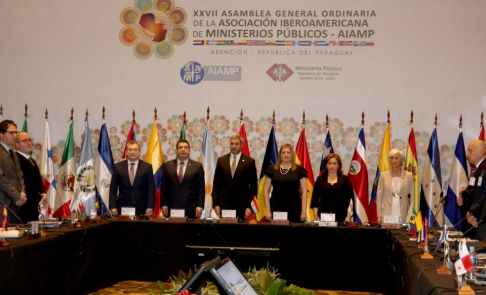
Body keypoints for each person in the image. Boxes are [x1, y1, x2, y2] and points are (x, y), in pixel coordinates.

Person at [212, 134, 258, 221]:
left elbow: (253, 187)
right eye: (232, 144)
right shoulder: (221, 160)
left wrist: (250, 207)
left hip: (242, 206)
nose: (234, 146)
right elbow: (216, 184)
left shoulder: (249, 162)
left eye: (236, 144)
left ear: (241, 145)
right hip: (223, 205)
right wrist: (215, 204)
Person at [161, 139, 205, 219]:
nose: (183, 149)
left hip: (191, 207)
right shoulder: (167, 165)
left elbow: (201, 189)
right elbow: (164, 187)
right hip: (171, 207)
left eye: (185, 147)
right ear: (176, 151)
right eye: (180, 147)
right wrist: (164, 204)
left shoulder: (197, 166)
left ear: (189, 151)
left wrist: (200, 206)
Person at [109, 141, 155, 217]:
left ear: (139, 152)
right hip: (123, 206)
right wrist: (113, 206)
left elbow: (151, 189)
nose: (132, 152)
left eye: (135, 150)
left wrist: (150, 207)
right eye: (130, 150)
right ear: (126, 152)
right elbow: (113, 189)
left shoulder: (147, 167)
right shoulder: (118, 167)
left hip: (141, 207)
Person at [264, 144, 307, 222]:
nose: (286, 155)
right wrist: (268, 210)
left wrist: (303, 211)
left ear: (292, 154)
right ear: (280, 155)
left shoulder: (300, 170)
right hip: (276, 206)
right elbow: (266, 191)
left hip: (294, 207)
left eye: (288, 152)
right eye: (283, 153)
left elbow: (304, 192)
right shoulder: (272, 170)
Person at [311, 153, 354, 223]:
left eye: (334, 163)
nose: (332, 166)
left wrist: (348, 216)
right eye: (329, 163)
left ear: (339, 165)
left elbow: (350, 200)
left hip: (341, 217)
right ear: (326, 165)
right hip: (323, 216)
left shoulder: (345, 179)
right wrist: (316, 215)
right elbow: (314, 200)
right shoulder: (320, 179)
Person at [376, 149, 415, 224]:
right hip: (386, 212)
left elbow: (412, 198)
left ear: (402, 160)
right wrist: (379, 215)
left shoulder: (409, 175)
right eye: (391, 158)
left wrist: (410, 215)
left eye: (397, 158)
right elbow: (379, 198)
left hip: (402, 212)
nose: (394, 160)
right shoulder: (383, 175)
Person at [15, 132, 46, 222]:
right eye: (25, 141)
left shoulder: (31, 160)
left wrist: (43, 192)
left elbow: (37, 180)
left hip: (35, 204)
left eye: (30, 140)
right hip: (25, 204)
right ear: (16, 145)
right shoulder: (16, 160)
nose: (29, 143)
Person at [458, 140, 486, 240]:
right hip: (477, 218)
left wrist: (472, 212)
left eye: (470, 151)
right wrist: (463, 195)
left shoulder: (484, 168)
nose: (466, 154)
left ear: (480, 152)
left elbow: (483, 196)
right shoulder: (478, 169)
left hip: (482, 218)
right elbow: (474, 192)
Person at [0, 120, 26, 222]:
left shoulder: (13, 153)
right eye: (11, 133)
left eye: (16, 132)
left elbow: (20, 176)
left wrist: (22, 193)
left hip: (15, 205)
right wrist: (17, 196)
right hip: (3, 203)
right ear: (1, 134)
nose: (15, 135)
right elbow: (1, 179)